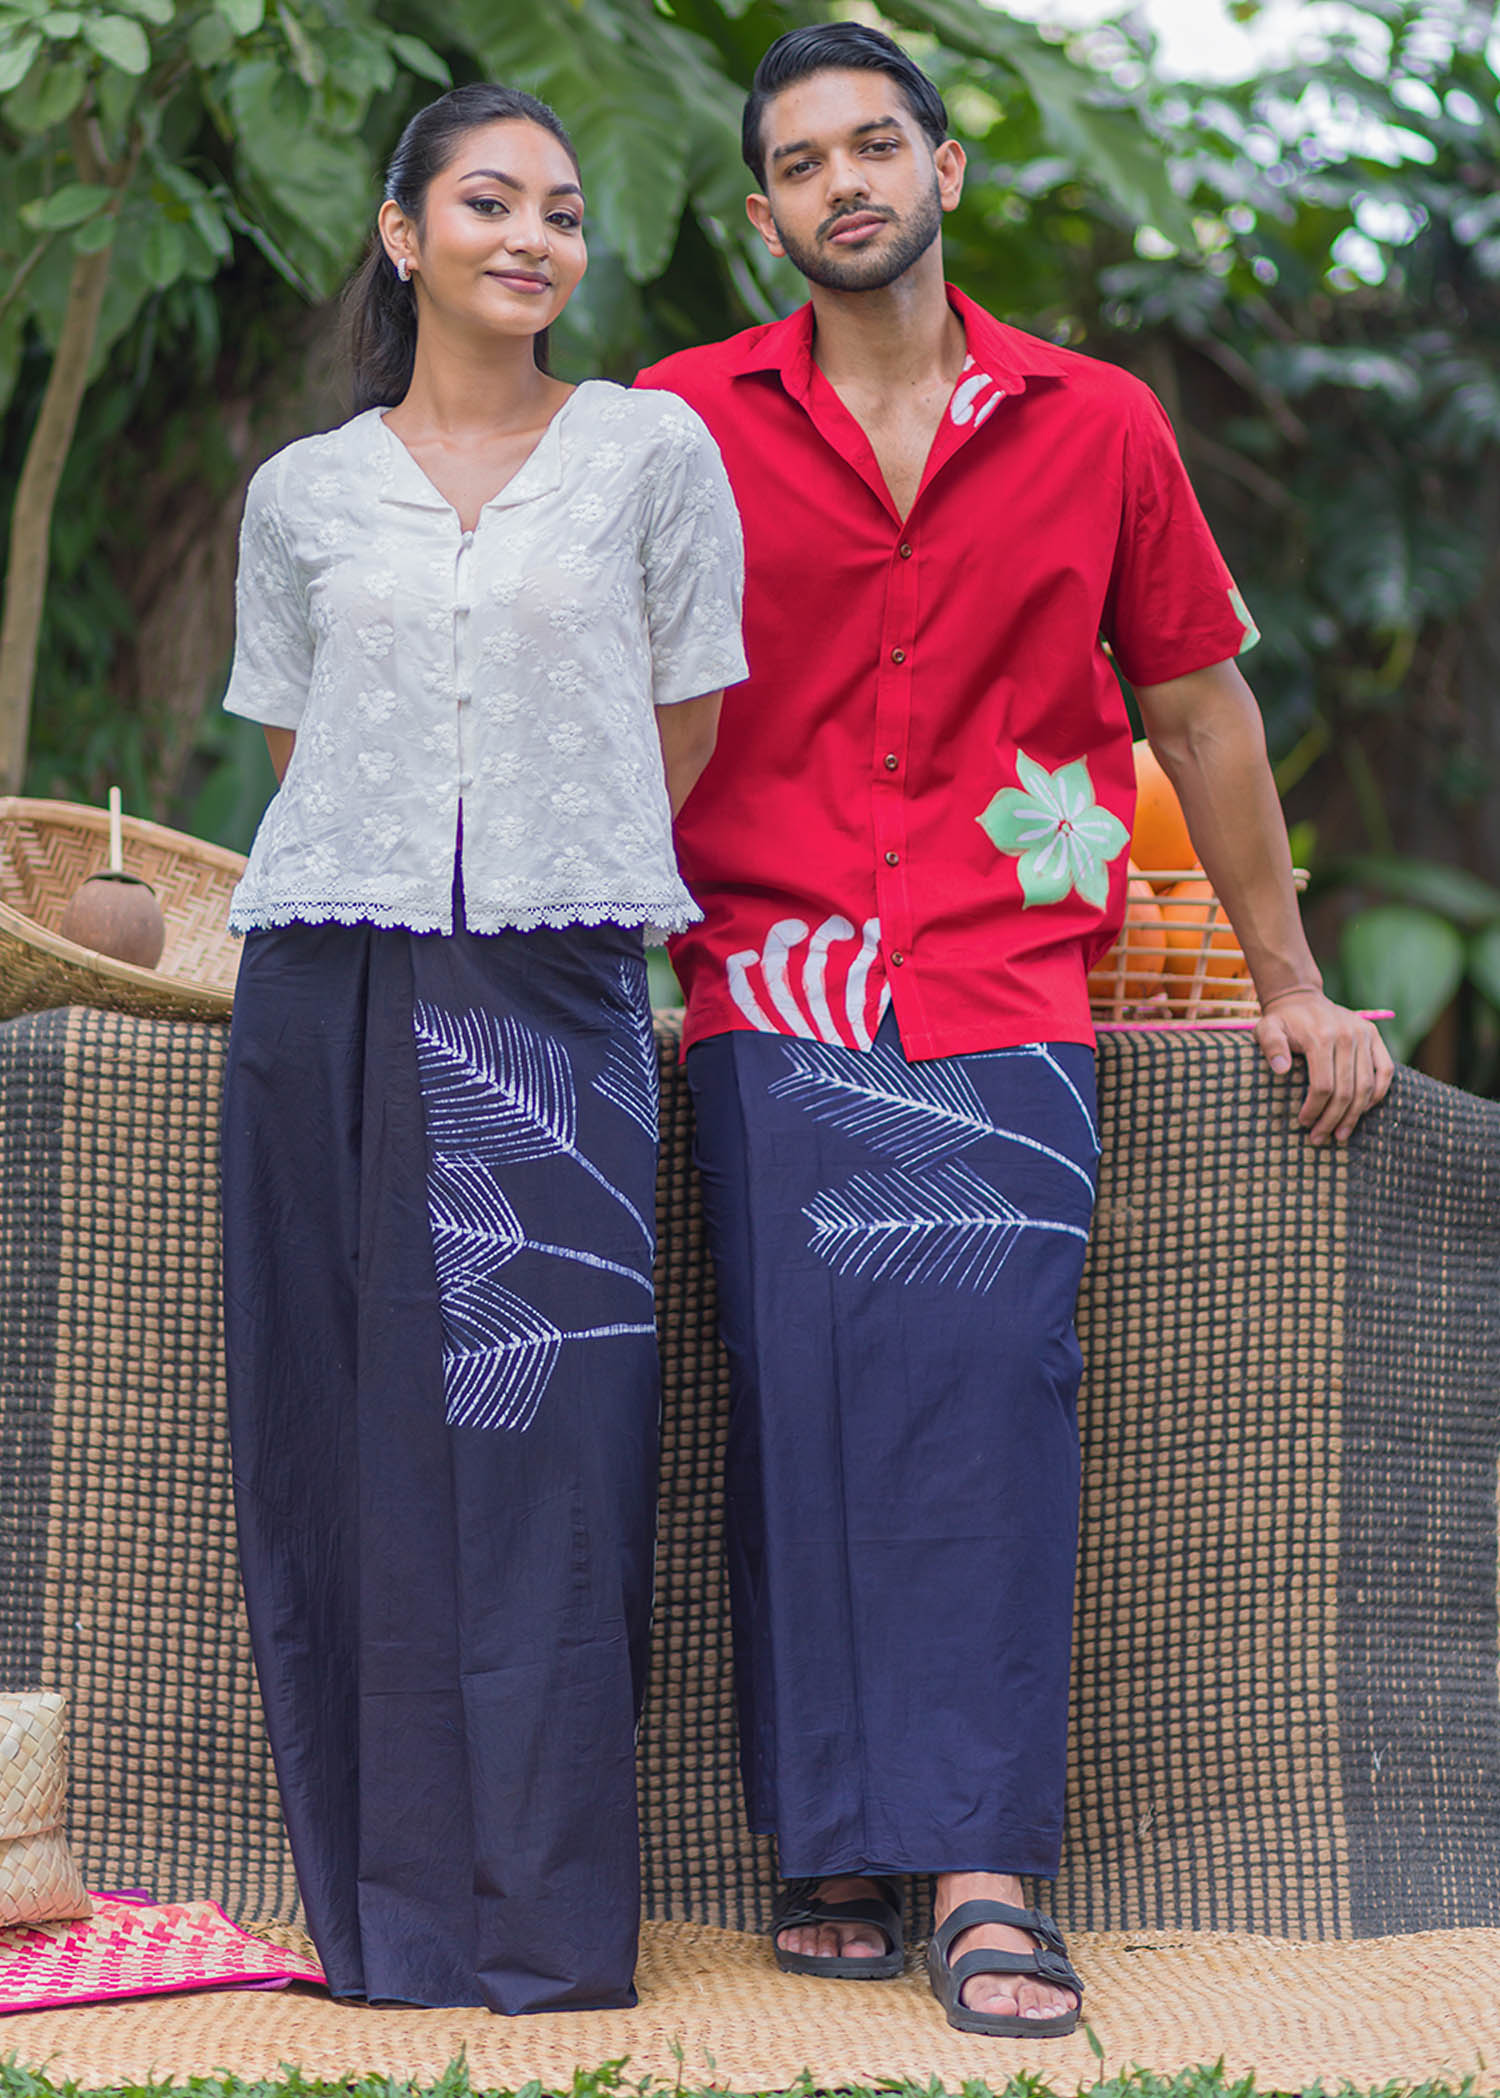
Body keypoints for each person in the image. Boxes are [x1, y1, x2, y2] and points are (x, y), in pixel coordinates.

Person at [637, 23, 1393, 2040]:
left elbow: (1204, 707)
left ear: (945, 171)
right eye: (800, 163)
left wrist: (1286, 976)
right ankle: (831, 1835)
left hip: (1002, 968)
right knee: (796, 1367)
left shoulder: (1100, 423)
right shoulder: (675, 424)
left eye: (874, 145)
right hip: (777, 960)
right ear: (765, 212)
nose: (842, 184)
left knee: (991, 1369)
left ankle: (976, 1863)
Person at [218, 82, 746, 2014]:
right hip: (330, 988)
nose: (533, 235)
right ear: (402, 231)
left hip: (558, 987)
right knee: (344, 1434)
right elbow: (301, 759)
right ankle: (392, 1923)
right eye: (490, 201)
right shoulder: (305, 492)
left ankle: (539, 1920)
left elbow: (680, 717)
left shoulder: (644, 455)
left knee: (555, 1446)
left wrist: (543, 861)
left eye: (564, 211)